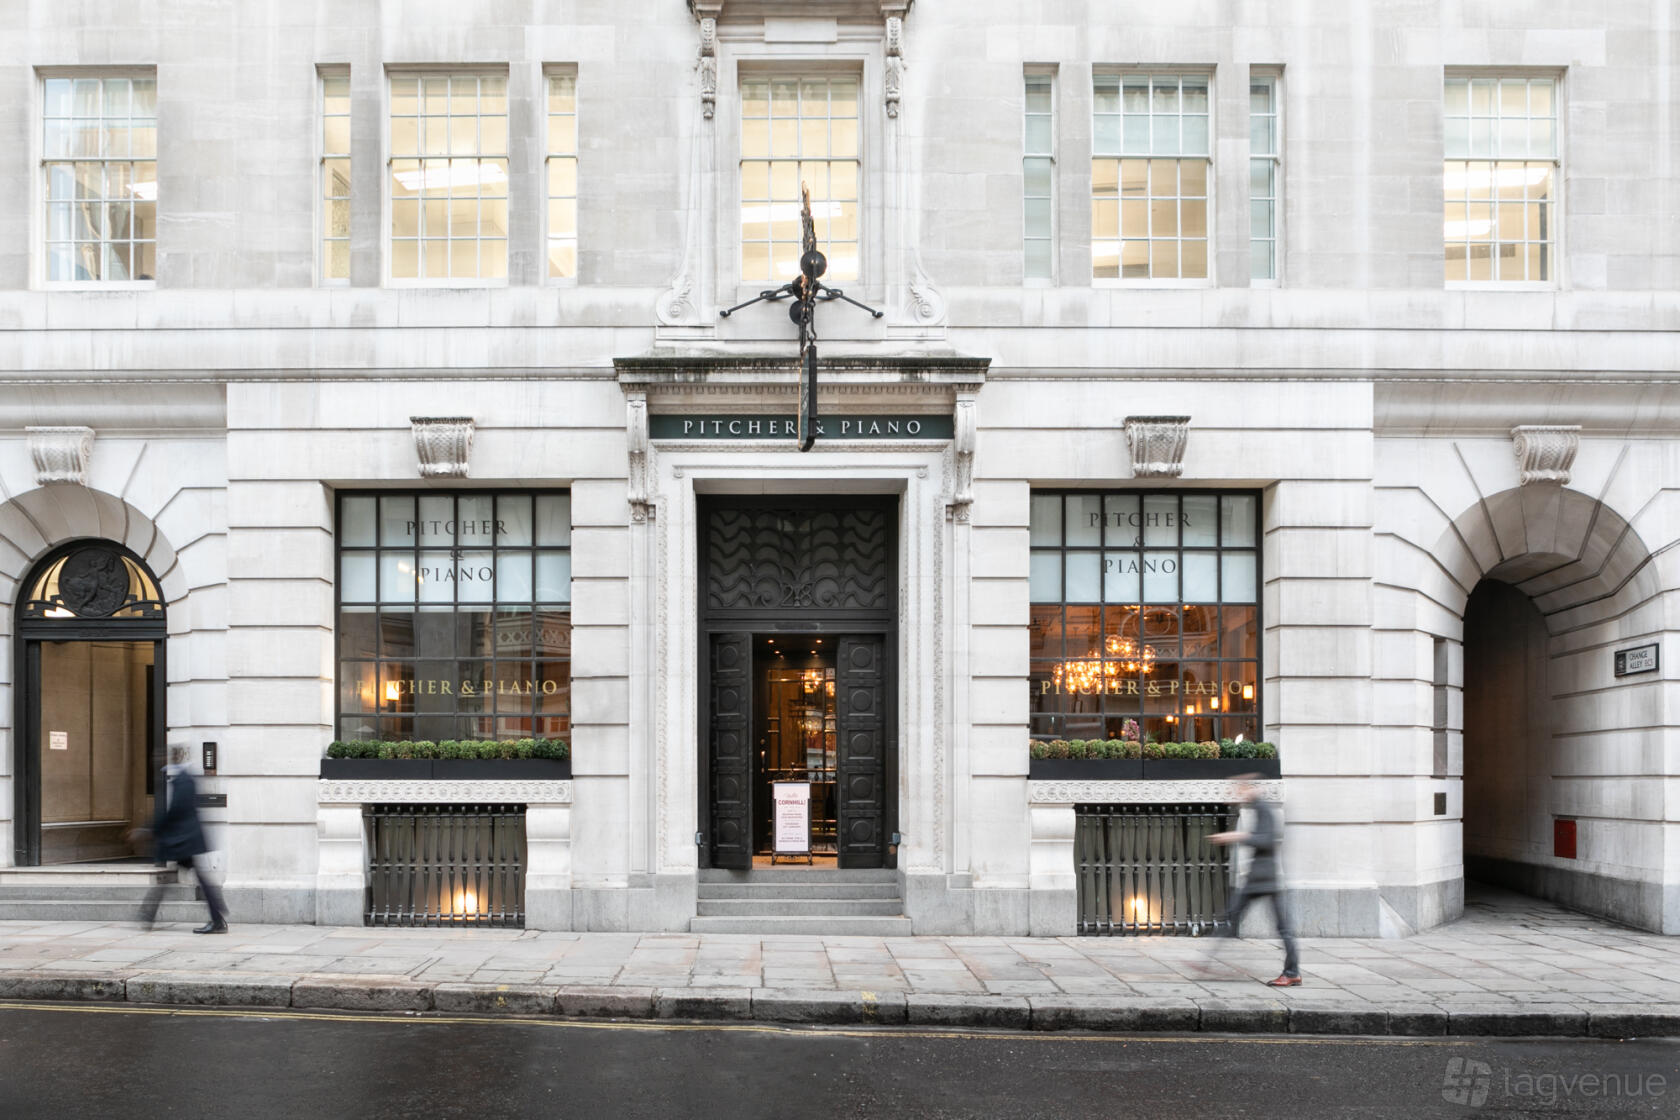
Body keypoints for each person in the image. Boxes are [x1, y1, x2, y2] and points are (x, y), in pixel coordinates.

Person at [1207, 775, 1299, 986]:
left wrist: (1235, 837)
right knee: (1232, 916)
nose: (1236, 796)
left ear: (1247, 789)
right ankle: (1205, 961)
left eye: (1238, 791)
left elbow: (1267, 839)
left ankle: (1292, 972)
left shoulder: (1264, 808)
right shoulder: (1258, 807)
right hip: (1259, 877)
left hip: (1265, 878)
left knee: (1282, 927)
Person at [141, 746, 228, 934]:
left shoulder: (183, 780)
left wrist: (151, 829)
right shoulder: (183, 778)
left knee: (170, 878)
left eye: (162, 756)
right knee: (176, 879)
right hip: (184, 838)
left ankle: (148, 915)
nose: (158, 759)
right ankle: (148, 915)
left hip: (183, 839)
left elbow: (176, 811)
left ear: (175, 757)